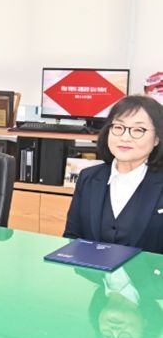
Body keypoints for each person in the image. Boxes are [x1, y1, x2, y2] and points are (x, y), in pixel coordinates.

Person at [64, 95, 163, 254]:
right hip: (93, 270)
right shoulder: (88, 178)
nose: (125, 137)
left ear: (157, 138)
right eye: (118, 127)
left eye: (138, 130)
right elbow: (72, 237)